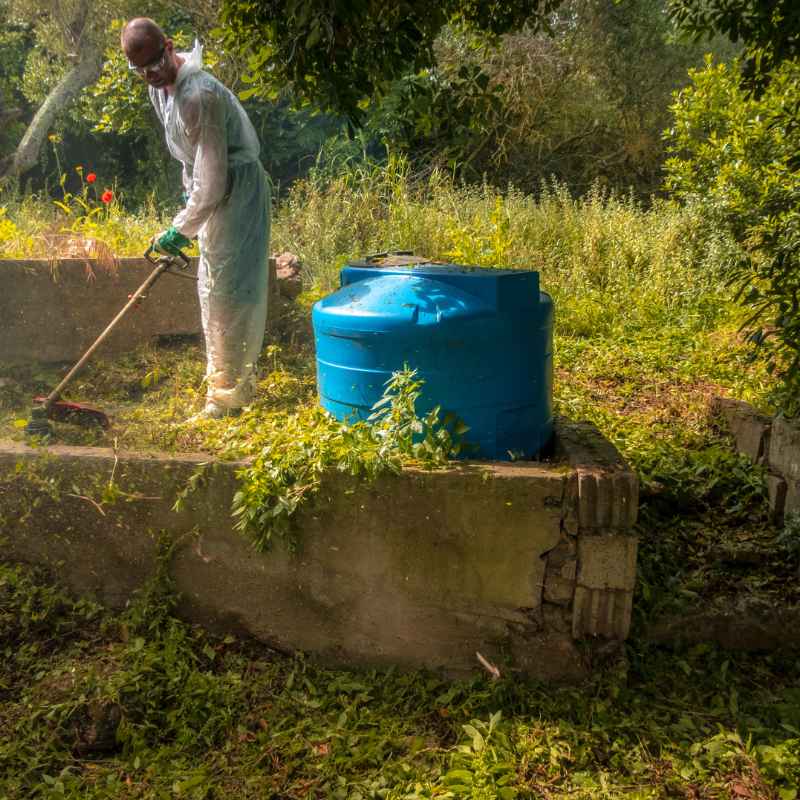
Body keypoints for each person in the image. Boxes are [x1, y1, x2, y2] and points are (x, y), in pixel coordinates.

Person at [121, 18, 271, 420]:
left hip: (237, 191)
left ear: (169, 46)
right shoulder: (161, 91)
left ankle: (229, 399)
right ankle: (223, 390)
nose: (149, 76)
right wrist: (188, 209)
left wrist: (180, 228)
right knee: (212, 289)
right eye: (139, 71)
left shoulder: (199, 95)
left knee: (230, 293)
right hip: (211, 191)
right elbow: (192, 161)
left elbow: (214, 179)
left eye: (153, 64)